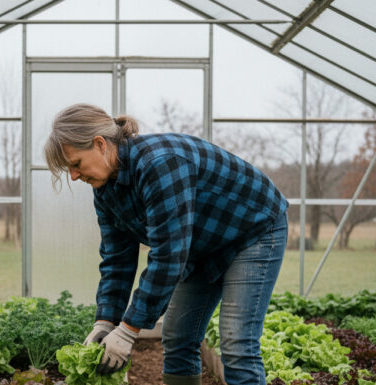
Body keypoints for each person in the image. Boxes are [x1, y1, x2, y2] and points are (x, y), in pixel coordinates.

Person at [44, 103, 288, 385]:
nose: (74, 176)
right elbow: (116, 259)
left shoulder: (159, 163)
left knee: (236, 343)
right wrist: (106, 321)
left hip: (253, 230)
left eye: (76, 164)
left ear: (100, 144)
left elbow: (168, 256)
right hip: (201, 246)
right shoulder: (105, 190)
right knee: (178, 337)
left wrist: (128, 330)